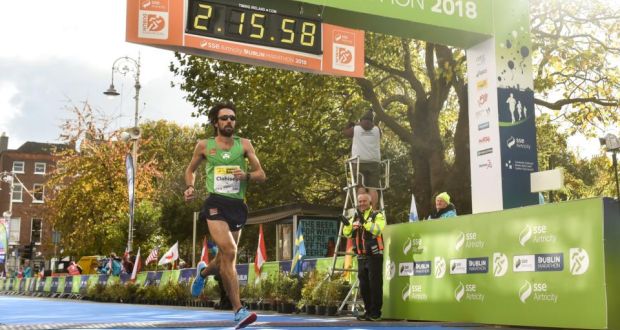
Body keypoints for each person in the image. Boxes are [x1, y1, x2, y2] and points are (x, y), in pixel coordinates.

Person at [184, 103, 266, 329]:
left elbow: (261, 174)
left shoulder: (245, 144)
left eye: (232, 118)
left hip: (237, 206)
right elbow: (190, 170)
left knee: (223, 258)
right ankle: (239, 310)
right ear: (216, 123)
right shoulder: (204, 145)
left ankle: (203, 272)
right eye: (224, 118)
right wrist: (190, 188)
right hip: (215, 203)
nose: (229, 121)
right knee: (230, 251)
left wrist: (247, 175)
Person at [342, 192, 385, 321]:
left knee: (375, 284)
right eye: (359, 201)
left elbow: (378, 230)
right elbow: (348, 234)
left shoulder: (377, 215)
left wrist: (364, 222)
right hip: (361, 256)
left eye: (364, 201)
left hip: (374, 255)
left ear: (370, 202)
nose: (361, 204)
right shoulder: (355, 216)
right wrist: (348, 225)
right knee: (364, 286)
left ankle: (376, 313)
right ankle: (367, 311)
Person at [343, 109, 381, 209]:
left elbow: (345, 133)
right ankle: (374, 210)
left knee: (360, 187)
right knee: (373, 188)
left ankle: (362, 209)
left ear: (361, 120)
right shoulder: (378, 129)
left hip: (359, 162)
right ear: (372, 121)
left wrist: (349, 125)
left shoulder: (356, 128)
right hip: (374, 162)